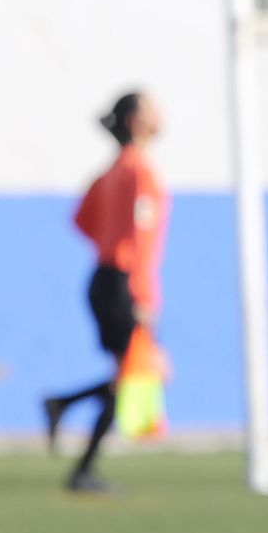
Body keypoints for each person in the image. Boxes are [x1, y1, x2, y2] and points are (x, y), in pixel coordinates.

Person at [44, 93, 168, 494]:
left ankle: (63, 408)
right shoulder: (139, 174)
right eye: (151, 108)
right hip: (123, 284)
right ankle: (81, 467)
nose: (160, 114)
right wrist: (142, 296)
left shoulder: (111, 171)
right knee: (132, 376)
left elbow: (81, 219)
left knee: (130, 375)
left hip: (104, 277)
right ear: (134, 120)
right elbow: (142, 240)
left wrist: (108, 245)